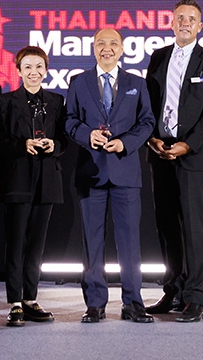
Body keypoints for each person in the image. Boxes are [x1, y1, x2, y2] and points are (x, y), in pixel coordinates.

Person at [64, 28, 156, 324]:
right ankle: (95, 303)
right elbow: (69, 120)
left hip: (125, 172)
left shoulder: (136, 83)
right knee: (92, 242)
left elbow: (147, 122)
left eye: (113, 43)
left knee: (129, 242)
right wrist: (86, 134)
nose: (107, 48)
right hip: (91, 173)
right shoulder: (78, 82)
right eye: (101, 43)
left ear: (122, 49)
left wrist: (125, 143)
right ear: (93, 48)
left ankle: (133, 303)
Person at [144, 0, 203, 321]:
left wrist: (187, 145)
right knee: (167, 225)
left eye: (191, 18)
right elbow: (150, 102)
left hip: (194, 155)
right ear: (172, 23)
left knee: (194, 227)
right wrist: (151, 136)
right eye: (180, 18)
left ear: (200, 26)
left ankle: (195, 296)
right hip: (160, 152)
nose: (185, 23)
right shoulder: (158, 56)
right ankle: (173, 290)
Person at [0, 46, 66, 327]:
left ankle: (30, 299)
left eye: (38, 67)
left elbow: (65, 140)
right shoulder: (5, 102)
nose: (33, 72)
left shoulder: (56, 101)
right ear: (19, 70)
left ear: (46, 70)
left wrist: (54, 145)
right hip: (17, 178)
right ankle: (14, 302)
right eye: (27, 67)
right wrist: (21, 145)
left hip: (47, 179)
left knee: (37, 243)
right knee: (15, 242)